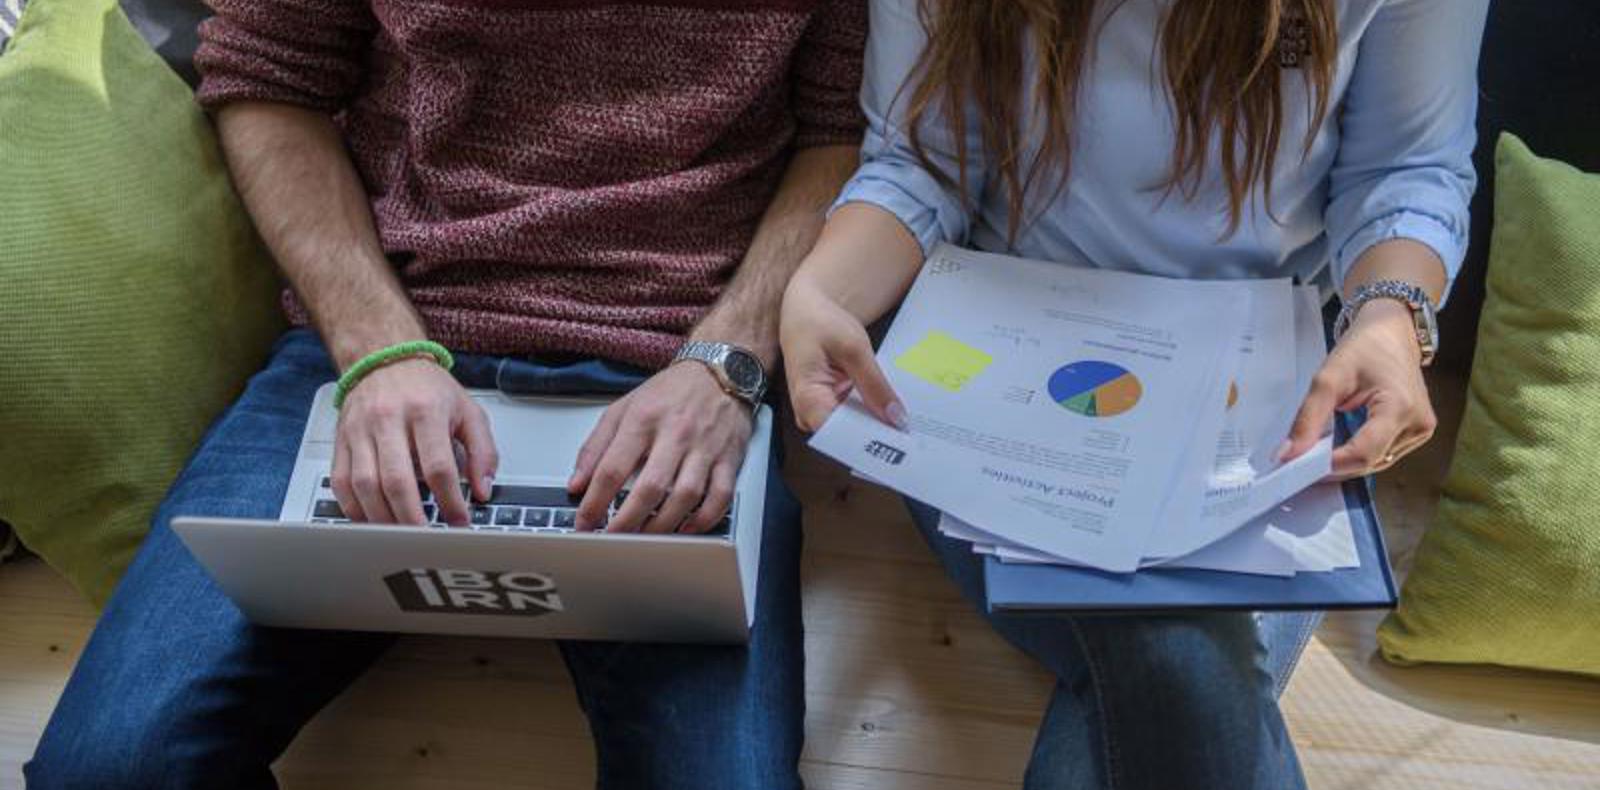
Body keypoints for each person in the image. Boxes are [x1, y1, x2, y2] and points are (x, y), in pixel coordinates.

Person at [26, 1, 866, 788]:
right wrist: (380, 352)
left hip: (681, 368)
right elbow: (271, 78)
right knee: (108, 768)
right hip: (384, 334)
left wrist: (729, 365)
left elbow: (844, 126)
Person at [780, 0, 1486, 787]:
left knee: (1170, 663)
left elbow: (1404, 169)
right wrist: (822, 289)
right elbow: (921, 163)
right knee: (1179, 652)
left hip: (1272, 388)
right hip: (1006, 368)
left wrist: (1390, 317)